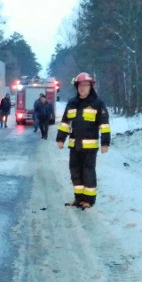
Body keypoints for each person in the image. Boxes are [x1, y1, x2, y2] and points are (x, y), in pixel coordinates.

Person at [55, 72, 111, 209]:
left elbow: (104, 125)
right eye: (80, 85)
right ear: (77, 87)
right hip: (74, 146)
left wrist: (105, 143)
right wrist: (61, 138)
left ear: (91, 86)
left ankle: (89, 200)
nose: (83, 88)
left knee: (88, 173)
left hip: (90, 148)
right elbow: (65, 123)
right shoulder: (72, 103)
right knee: (75, 172)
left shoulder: (97, 104)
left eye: (86, 85)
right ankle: (78, 198)